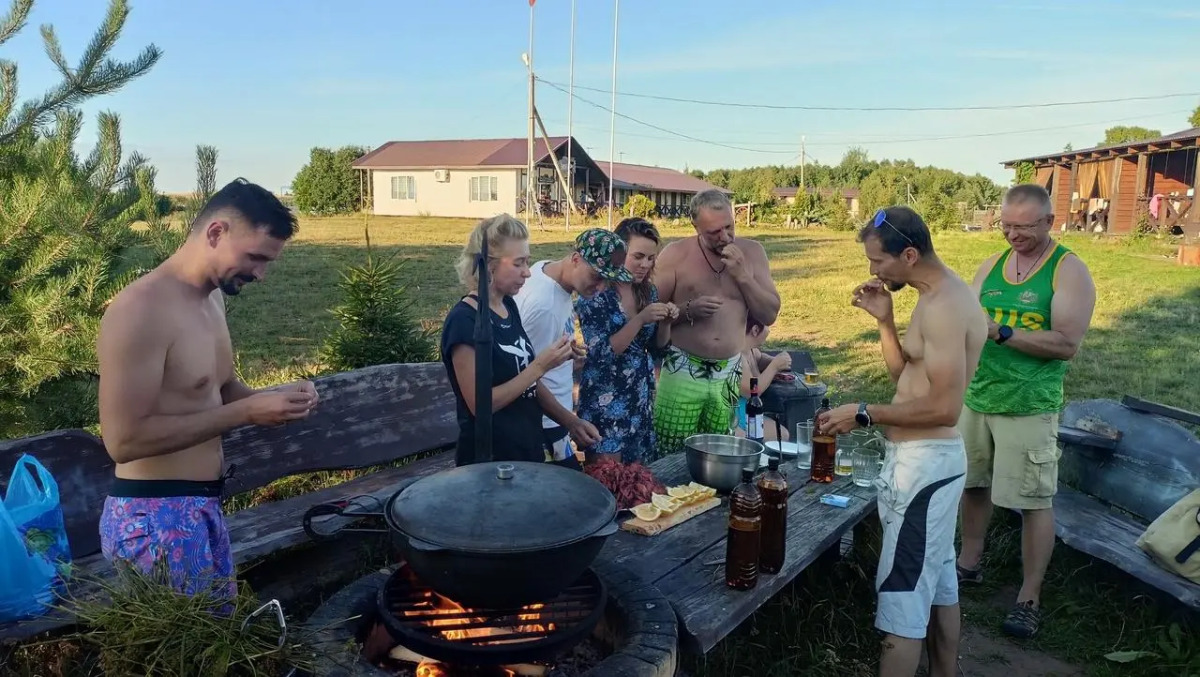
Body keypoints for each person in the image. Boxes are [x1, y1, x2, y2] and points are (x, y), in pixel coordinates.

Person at [97, 178, 316, 601]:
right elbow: (123, 441)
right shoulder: (140, 310)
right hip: (154, 518)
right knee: (182, 662)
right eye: (254, 257)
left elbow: (223, 389)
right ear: (216, 232)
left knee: (215, 647)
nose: (260, 274)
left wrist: (277, 399)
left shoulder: (211, 299)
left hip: (203, 508)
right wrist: (246, 414)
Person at [817, 206, 986, 677]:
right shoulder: (928, 295)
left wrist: (865, 414)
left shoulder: (948, 306)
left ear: (908, 254)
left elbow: (944, 408)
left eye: (878, 261)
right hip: (920, 464)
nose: (873, 270)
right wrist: (884, 321)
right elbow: (905, 376)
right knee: (938, 583)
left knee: (902, 600)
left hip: (926, 469)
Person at [955, 184, 1097, 639]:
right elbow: (966, 315)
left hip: (1028, 405)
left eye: (1024, 227)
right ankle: (968, 562)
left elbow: (1066, 344)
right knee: (972, 485)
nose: (1013, 234)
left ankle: (1029, 596)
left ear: (1049, 222)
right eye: (1007, 225)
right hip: (978, 397)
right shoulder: (992, 264)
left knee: (1034, 502)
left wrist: (1002, 333)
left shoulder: (1068, 271)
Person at [440, 214, 575, 467]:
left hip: (526, 451)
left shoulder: (508, 306)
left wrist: (571, 421)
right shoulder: (464, 321)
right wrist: (540, 366)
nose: (527, 273)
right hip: (490, 462)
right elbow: (480, 405)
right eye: (518, 263)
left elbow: (528, 383)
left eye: (528, 262)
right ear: (488, 266)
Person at [654, 189, 781, 457]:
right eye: (714, 232)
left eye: (729, 227)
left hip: (730, 371)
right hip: (682, 368)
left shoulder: (753, 253)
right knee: (670, 451)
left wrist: (743, 276)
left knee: (720, 452)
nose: (724, 237)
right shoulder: (676, 255)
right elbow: (650, 315)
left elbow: (770, 313)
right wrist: (687, 309)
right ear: (695, 227)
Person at [513, 228, 629, 468]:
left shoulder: (545, 270)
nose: (601, 287)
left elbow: (537, 353)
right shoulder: (545, 306)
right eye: (597, 277)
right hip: (545, 424)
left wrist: (567, 354)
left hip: (555, 419)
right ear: (576, 259)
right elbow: (525, 376)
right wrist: (571, 422)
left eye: (608, 280)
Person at [574, 218, 677, 464]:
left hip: (638, 400)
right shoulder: (596, 292)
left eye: (651, 258)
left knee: (638, 484)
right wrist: (640, 319)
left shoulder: (647, 291)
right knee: (607, 481)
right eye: (638, 256)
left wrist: (666, 321)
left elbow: (657, 348)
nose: (645, 265)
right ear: (620, 254)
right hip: (605, 400)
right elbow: (601, 353)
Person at [734, 317, 792, 440]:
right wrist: (775, 366)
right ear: (755, 330)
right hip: (737, 418)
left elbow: (760, 359)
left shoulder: (750, 350)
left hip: (750, 413)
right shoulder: (737, 356)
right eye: (767, 326)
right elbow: (752, 391)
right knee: (782, 435)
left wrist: (776, 362)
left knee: (782, 433)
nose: (769, 331)